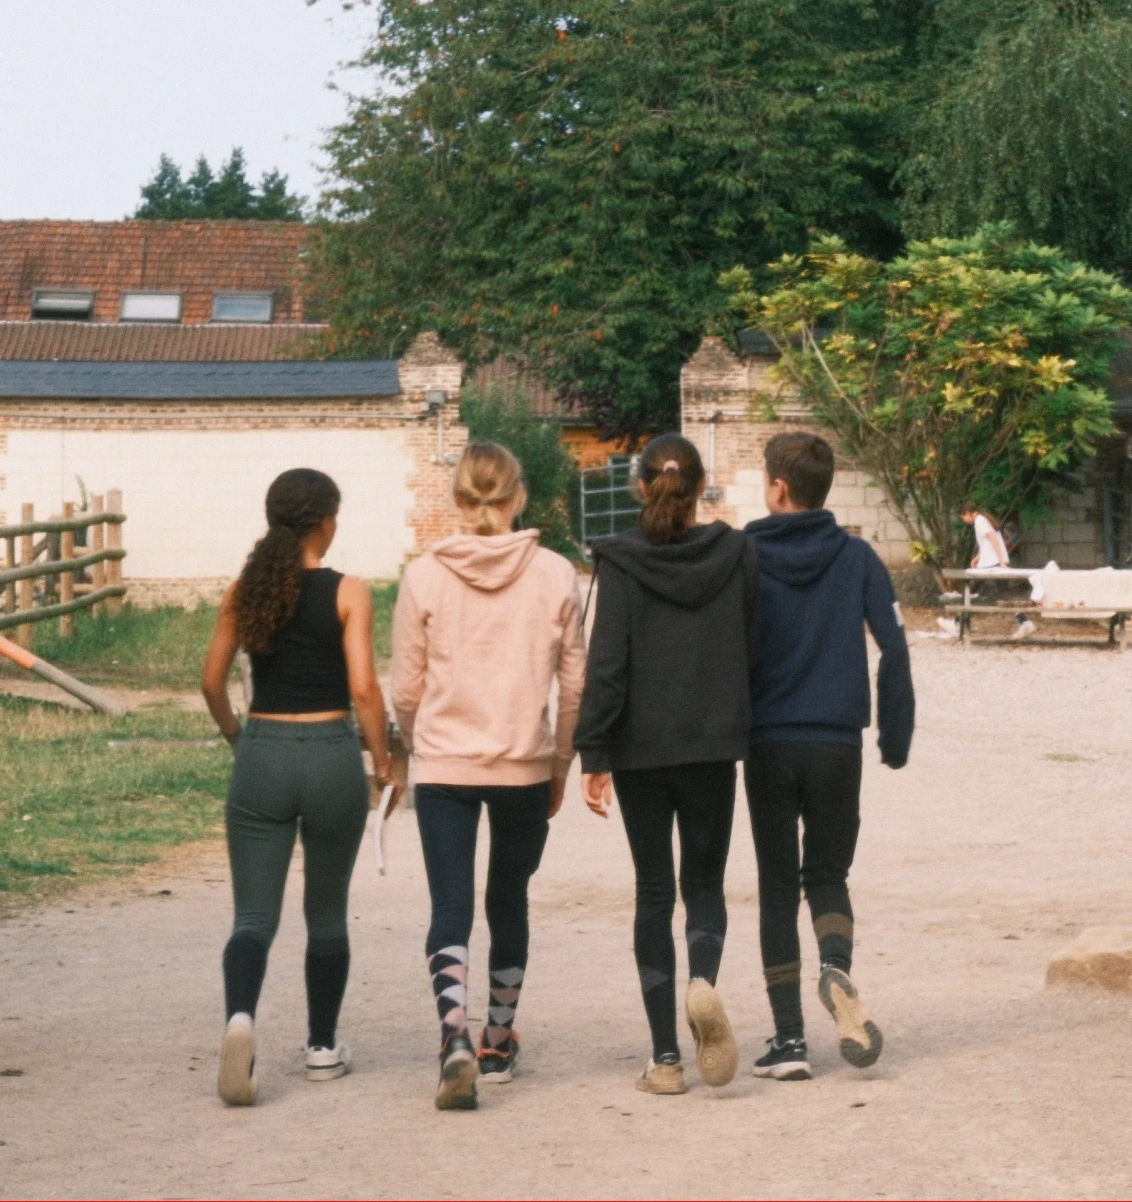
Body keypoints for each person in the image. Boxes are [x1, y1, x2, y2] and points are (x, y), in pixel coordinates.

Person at [390, 442, 585, 1109]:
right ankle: (499, 1040)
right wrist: (558, 762)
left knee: (449, 905)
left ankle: (454, 1038)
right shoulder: (557, 576)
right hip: (523, 763)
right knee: (508, 900)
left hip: (444, 761)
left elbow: (407, 687)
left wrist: (422, 744)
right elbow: (575, 684)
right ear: (519, 495)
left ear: (457, 498)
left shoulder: (424, 576)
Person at [199, 468, 393, 1107]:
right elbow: (364, 688)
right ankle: (321, 1047)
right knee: (327, 911)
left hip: (264, 753)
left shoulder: (244, 589)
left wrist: (239, 737)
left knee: (253, 914)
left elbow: (210, 682)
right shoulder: (349, 592)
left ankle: (240, 1021)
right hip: (331, 755)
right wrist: (385, 760)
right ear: (325, 522)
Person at [576, 433, 760, 1095]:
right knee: (704, 886)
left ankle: (665, 1059)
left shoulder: (619, 561)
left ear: (640, 484)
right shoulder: (736, 552)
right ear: (700, 486)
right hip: (713, 745)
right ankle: (703, 983)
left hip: (640, 752)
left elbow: (608, 665)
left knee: (653, 894)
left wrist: (594, 753)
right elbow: (755, 643)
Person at [743, 432, 916, 1081]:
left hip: (768, 741)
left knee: (777, 886)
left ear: (777, 487)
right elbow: (895, 650)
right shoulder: (857, 557)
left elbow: (723, 644)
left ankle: (789, 1041)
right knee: (828, 874)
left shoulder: (745, 554)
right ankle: (836, 966)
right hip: (837, 743)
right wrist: (893, 739)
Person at [959, 503, 1035, 639]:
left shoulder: (980, 521)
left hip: (991, 564)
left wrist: (1000, 562)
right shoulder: (983, 520)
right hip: (990, 562)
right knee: (1004, 595)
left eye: (963, 517)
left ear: (968, 513)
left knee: (971, 591)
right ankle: (1024, 621)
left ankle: (958, 622)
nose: (964, 521)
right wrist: (978, 557)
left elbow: (994, 540)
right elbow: (988, 543)